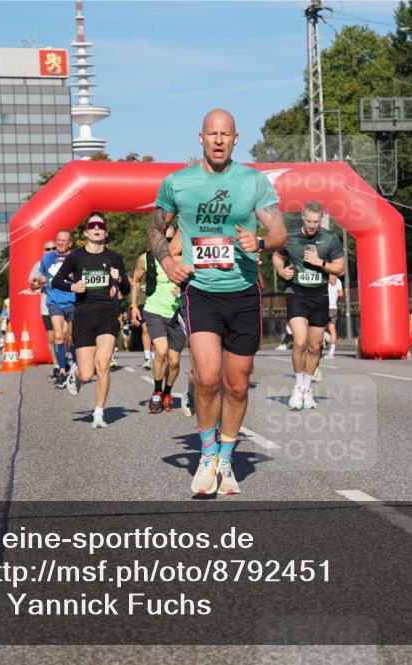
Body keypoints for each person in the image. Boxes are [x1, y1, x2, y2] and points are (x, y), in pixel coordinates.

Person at [149, 107, 287, 495]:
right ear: (201, 138)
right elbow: (155, 228)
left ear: (235, 139)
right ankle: (207, 455)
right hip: (202, 292)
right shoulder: (178, 183)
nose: (219, 140)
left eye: (226, 134)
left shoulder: (253, 182)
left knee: (238, 383)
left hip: (243, 291)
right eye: (212, 134)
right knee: (207, 378)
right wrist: (168, 261)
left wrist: (258, 242)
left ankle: (226, 459)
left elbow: (278, 231)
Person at [51, 214, 130, 428]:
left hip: (107, 314)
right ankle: (75, 375)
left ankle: (99, 413)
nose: (97, 229)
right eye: (92, 226)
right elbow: (56, 280)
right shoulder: (76, 257)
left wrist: (120, 279)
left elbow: (126, 290)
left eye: (101, 226)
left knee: (103, 365)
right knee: (87, 374)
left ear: (105, 232)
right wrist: (72, 287)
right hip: (84, 315)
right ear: (86, 232)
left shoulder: (114, 257)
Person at [272, 200, 345, 410]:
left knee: (314, 346)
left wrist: (319, 262)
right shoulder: (291, 238)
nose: (312, 225)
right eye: (309, 221)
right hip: (296, 293)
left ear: (321, 219)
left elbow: (340, 270)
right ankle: (297, 386)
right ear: (303, 218)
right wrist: (280, 271)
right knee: (300, 342)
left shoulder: (330, 239)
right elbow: (277, 257)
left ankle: (306, 388)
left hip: (319, 296)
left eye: (316, 221)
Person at [133, 226, 185, 414]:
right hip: (154, 311)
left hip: (177, 313)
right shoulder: (146, 259)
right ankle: (156, 391)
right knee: (161, 351)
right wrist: (134, 307)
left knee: (175, 361)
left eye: (171, 240)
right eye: (163, 240)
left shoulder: (185, 259)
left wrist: (184, 290)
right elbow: (137, 281)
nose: (167, 244)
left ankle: (167, 392)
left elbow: (199, 282)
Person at [40, 230, 77, 387]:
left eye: (64, 240)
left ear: (70, 243)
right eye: (58, 240)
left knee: (72, 337)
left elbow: (82, 276)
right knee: (59, 336)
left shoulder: (75, 258)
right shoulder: (48, 258)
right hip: (54, 302)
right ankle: (62, 371)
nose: (60, 242)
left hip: (73, 301)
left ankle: (76, 368)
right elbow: (43, 276)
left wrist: (72, 276)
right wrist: (38, 281)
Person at [29, 239, 58, 379]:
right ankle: (57, 366)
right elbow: (32, 285)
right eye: (48, 249)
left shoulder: (63, 263)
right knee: (52, 337)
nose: (51, 251)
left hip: (64, 304)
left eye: (54, 248)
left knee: (65, 336)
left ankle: (63, 361)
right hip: (47, 306)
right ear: (43, 251)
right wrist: (43, 283)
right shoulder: (38, 265)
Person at [326, 275, 343, 359]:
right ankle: (331, 352)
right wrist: (334, 295)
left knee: (318, 327)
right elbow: (341, 293)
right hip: (333, 307)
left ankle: (317, 349)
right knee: (332, 329)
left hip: (324, 306)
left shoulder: (324, 278)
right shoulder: (338, 280)